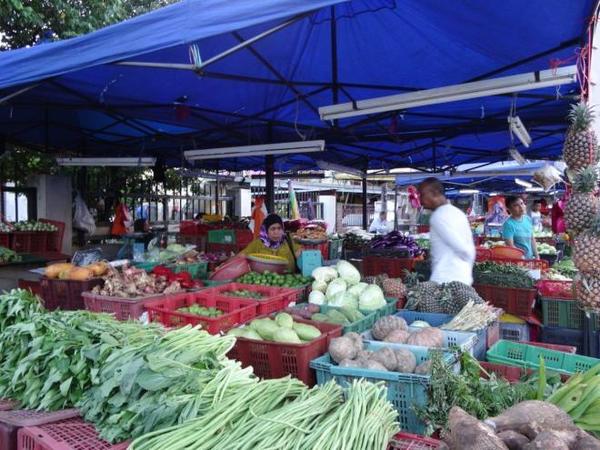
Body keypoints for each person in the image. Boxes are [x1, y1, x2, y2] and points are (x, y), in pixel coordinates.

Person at [417, 178, 475, 285]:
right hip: (463, 279)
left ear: (435, 193)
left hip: (445, 282)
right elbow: (470, 251)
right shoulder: (458, 213)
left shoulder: (438, 217)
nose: (420, 200)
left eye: (422, 195)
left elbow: (463, 249)